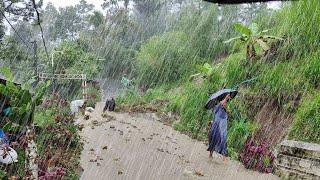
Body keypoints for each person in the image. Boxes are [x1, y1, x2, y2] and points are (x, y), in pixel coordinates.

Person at [207, 94, 231, 162]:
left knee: (223, 138)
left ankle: (224, 156)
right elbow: (215, 114)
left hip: (222, 124)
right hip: (216, 123)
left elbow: (228, 113)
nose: (229, 97)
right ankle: (211, 154)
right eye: (228, 96)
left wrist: (226, 108)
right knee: (213, 137)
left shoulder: (226, 105)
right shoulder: (218, 104)